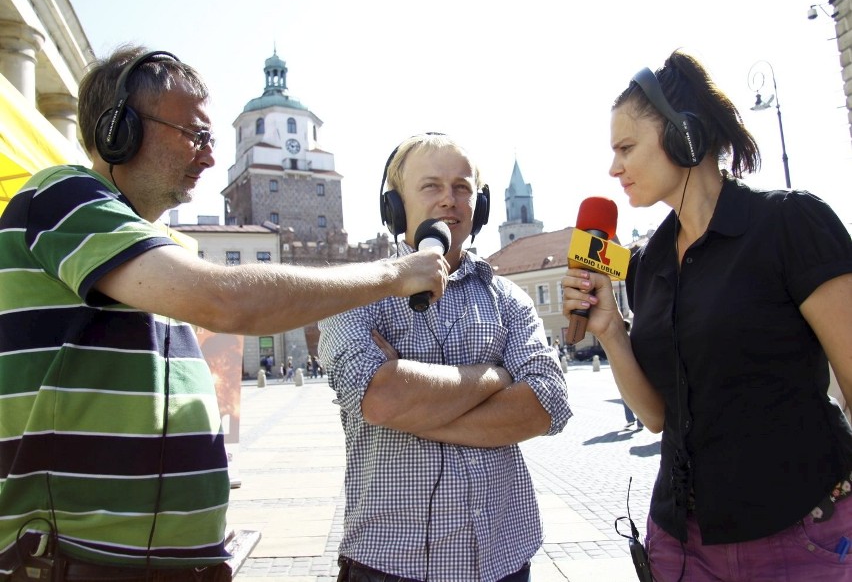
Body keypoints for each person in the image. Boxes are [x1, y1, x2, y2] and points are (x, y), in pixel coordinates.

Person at [0, 46, 448, 582]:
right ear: (119, 129)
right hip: (76, 563)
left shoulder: (165, 248)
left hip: (174, 565)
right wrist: (396, 275)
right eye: (195, 135)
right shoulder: (62, 196)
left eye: (213, 140)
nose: (209, 157)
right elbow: (229, 301)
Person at [562, 49, 852, 581]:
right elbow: (655, 417)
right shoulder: (647, 265)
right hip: (679, 545)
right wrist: (610, 331)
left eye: (626, 147)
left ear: (683, 137)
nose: (613, 167)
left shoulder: (791, 224)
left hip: (798, 535)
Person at [318, 133, 572, 582]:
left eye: (461, 187)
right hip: (389, 563)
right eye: (431, 186)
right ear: (395, 206)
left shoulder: (508, 299)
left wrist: (411, 402)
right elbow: (380, 399)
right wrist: (496, 376)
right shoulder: (355, 292)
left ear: (481, 204)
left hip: (503, 558)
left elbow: (544, 406)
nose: (449, 201)